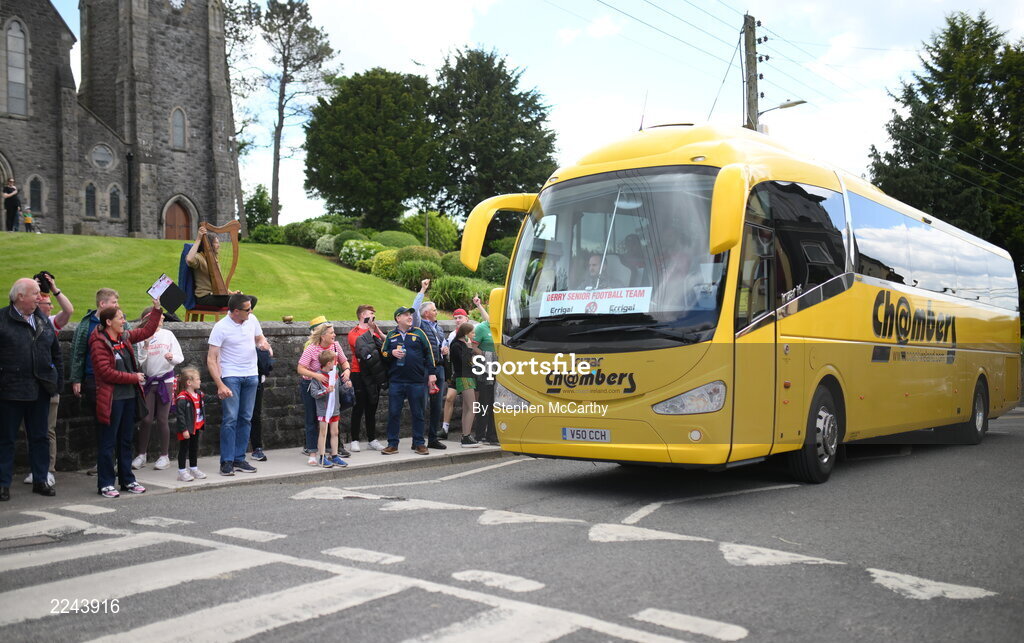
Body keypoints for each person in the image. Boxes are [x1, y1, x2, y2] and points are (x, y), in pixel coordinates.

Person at [89, 301, 162, 498]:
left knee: (126, 440)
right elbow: (105, 372)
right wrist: (133, 377)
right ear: (108, 321)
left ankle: (127, 480)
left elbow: (146, 331)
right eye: (120, 318)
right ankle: (105, 483)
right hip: (111, 400)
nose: (124, 321)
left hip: (129, 398)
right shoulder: (98, 342)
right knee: (108, 442)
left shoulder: (124, 337)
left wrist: (156, 310)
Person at [0, 278, 62, 501]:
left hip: (40, 390)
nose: (40, 297)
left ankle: (40, 480)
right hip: (10, 390)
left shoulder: (41, 319)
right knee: (6, 439)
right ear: (20, 297)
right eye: (35, 293)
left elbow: (56, 353)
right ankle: (3, 484)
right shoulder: (3, 319)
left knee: (40, 438)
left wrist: (57, 382)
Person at [207, 294, 272, 476]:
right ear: (236, 311)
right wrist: (220, 384)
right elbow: (211, 359)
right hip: (231, 376)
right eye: (247, 309)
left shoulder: (252, 320)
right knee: (230, 419)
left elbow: (260, 338)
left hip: (251, 375)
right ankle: (226, 461)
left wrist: (263, 344)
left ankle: (239, 458)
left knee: (246, 418)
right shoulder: (221, 327)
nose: (251, 312)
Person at [23, 274, 74, 487]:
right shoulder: (22, 320)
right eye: (44, 301)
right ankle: (34, 468)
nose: (49, 306)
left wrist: (54, 288)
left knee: (47, 429)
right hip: (25, 384)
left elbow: (69, 311)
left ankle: (47, 469)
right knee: (29, 430)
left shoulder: (51, 323)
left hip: (46, 384)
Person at [132, 307, 184, 471]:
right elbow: (140, 363)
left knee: (162, 419)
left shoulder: (168, 335)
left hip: (165, 381)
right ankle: (141, 455)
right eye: (158, 317)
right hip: (148, 381)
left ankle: (164, 456)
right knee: (146, 419)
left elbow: (179, 357)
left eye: (161, 317)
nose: (161, 319)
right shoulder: (141, 336)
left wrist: (171, 358)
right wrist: (146, 347)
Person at [380, 306, 438, 455]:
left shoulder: (419, 333)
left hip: (416, 381)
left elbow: (429, 353)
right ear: (398, 318)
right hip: (396, 381)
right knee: (393, 413)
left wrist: (432, 373)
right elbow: (383, 354)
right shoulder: (391, 335)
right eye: (405, 315)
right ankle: (392, 444)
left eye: (410, 314)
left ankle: (419, 443)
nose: (410, 317)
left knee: (418, 412)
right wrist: (391, 353)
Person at [297, 316, 351, 464]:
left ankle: (330, 452)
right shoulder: (312, 348)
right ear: (322, 336)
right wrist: (316, 376)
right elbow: (300, 368)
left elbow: (344, 361)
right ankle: (313, 453)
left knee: (331, 419)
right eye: (331, 333)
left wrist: (346, 371)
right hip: (311, 387)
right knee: (312, 419)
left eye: (334, 332)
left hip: (331, 388)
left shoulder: (335, 346)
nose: (334, 335)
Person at [442, 296, 489, 435]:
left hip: (469, 375)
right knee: (458, 400)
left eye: (460, 317)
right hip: (462, 375)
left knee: (469, 405)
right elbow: (460, 359)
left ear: (466, 319)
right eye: (455, 318)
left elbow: (488, 320)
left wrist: (479, 305)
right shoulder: (454, 339)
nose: (457, 320)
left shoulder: (470, 333)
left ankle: (467, 433)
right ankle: (456, 431)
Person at [412, 279, 450, 450]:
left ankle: (433, 438)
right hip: (425, 370)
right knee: (422, 404)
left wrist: (445, 348)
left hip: (439, 368)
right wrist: (422, 289)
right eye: (434, 310)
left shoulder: (439, 328)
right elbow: (413, 311)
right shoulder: (419, 325)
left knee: (436, 405)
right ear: (426, 313)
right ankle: (417, 440)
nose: (437, 313)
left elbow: (441, 343)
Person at [347, 305, 385, 452]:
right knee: (358, 407)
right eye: (371, 313)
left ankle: (372, 439)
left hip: (374, 373)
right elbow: (362, 348)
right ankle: (355, 439)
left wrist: (377, 332)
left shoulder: (374, 332)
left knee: (372, 407)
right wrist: (371, 332)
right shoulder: (354, 332)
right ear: (363, 315)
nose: (374, 316)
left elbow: (384, 346)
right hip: (358, 372)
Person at [308, 350, 349, 468]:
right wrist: (325, 391)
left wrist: (346, 385)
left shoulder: (335, 373)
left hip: (335, 408)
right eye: (334, 361)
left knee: (335, 432)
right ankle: (322, 456)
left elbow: (339, 387)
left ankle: (335, 456)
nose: (336, 363)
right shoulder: (317, 376)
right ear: (328, 363)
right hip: (323, 409)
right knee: (323, 432)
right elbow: (314, 393)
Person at [185, 224, 239, 308]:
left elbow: (217, 283)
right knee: (240, 301)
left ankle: (236, 320)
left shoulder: (213, 260)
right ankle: (234, 320)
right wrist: (199, 238)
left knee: (251, 299)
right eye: (216, 243)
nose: (219, 246)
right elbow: (189, 260)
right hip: (204, 297)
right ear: (209, 245)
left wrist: (231, 293)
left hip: (215, 295)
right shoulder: (199, 257)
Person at [448, 323, 481, 448]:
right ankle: (466, 437)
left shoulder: (460, 344)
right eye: (472, 332)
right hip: (463, 377)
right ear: (466, 333)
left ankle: (465, 435)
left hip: (468, 377)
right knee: (472, 407)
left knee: (468, 408)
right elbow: (464, 362)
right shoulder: (457, 345)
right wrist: (469, 349)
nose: (474, 335)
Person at [173, 366, 207, 482]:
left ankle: (194, 468)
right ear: (189, 382)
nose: (200, 381)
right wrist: (184, 429)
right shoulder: (182, 398)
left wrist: (220, 396)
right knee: (184, 449)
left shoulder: (199, 394)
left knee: (194, 447)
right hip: (187, 429)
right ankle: (182, 471)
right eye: (197, 379)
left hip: (196, 427)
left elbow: (208, 400)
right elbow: (180, 416)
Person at [473, 319, 499, 445]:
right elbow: (473, 347)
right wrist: (488, 356)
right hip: (484, 371)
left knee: (495, 404)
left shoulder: (501, 327)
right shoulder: (481, 328)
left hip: (499, 371)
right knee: (484, 403)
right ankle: (480, 434)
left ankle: (492, 435)